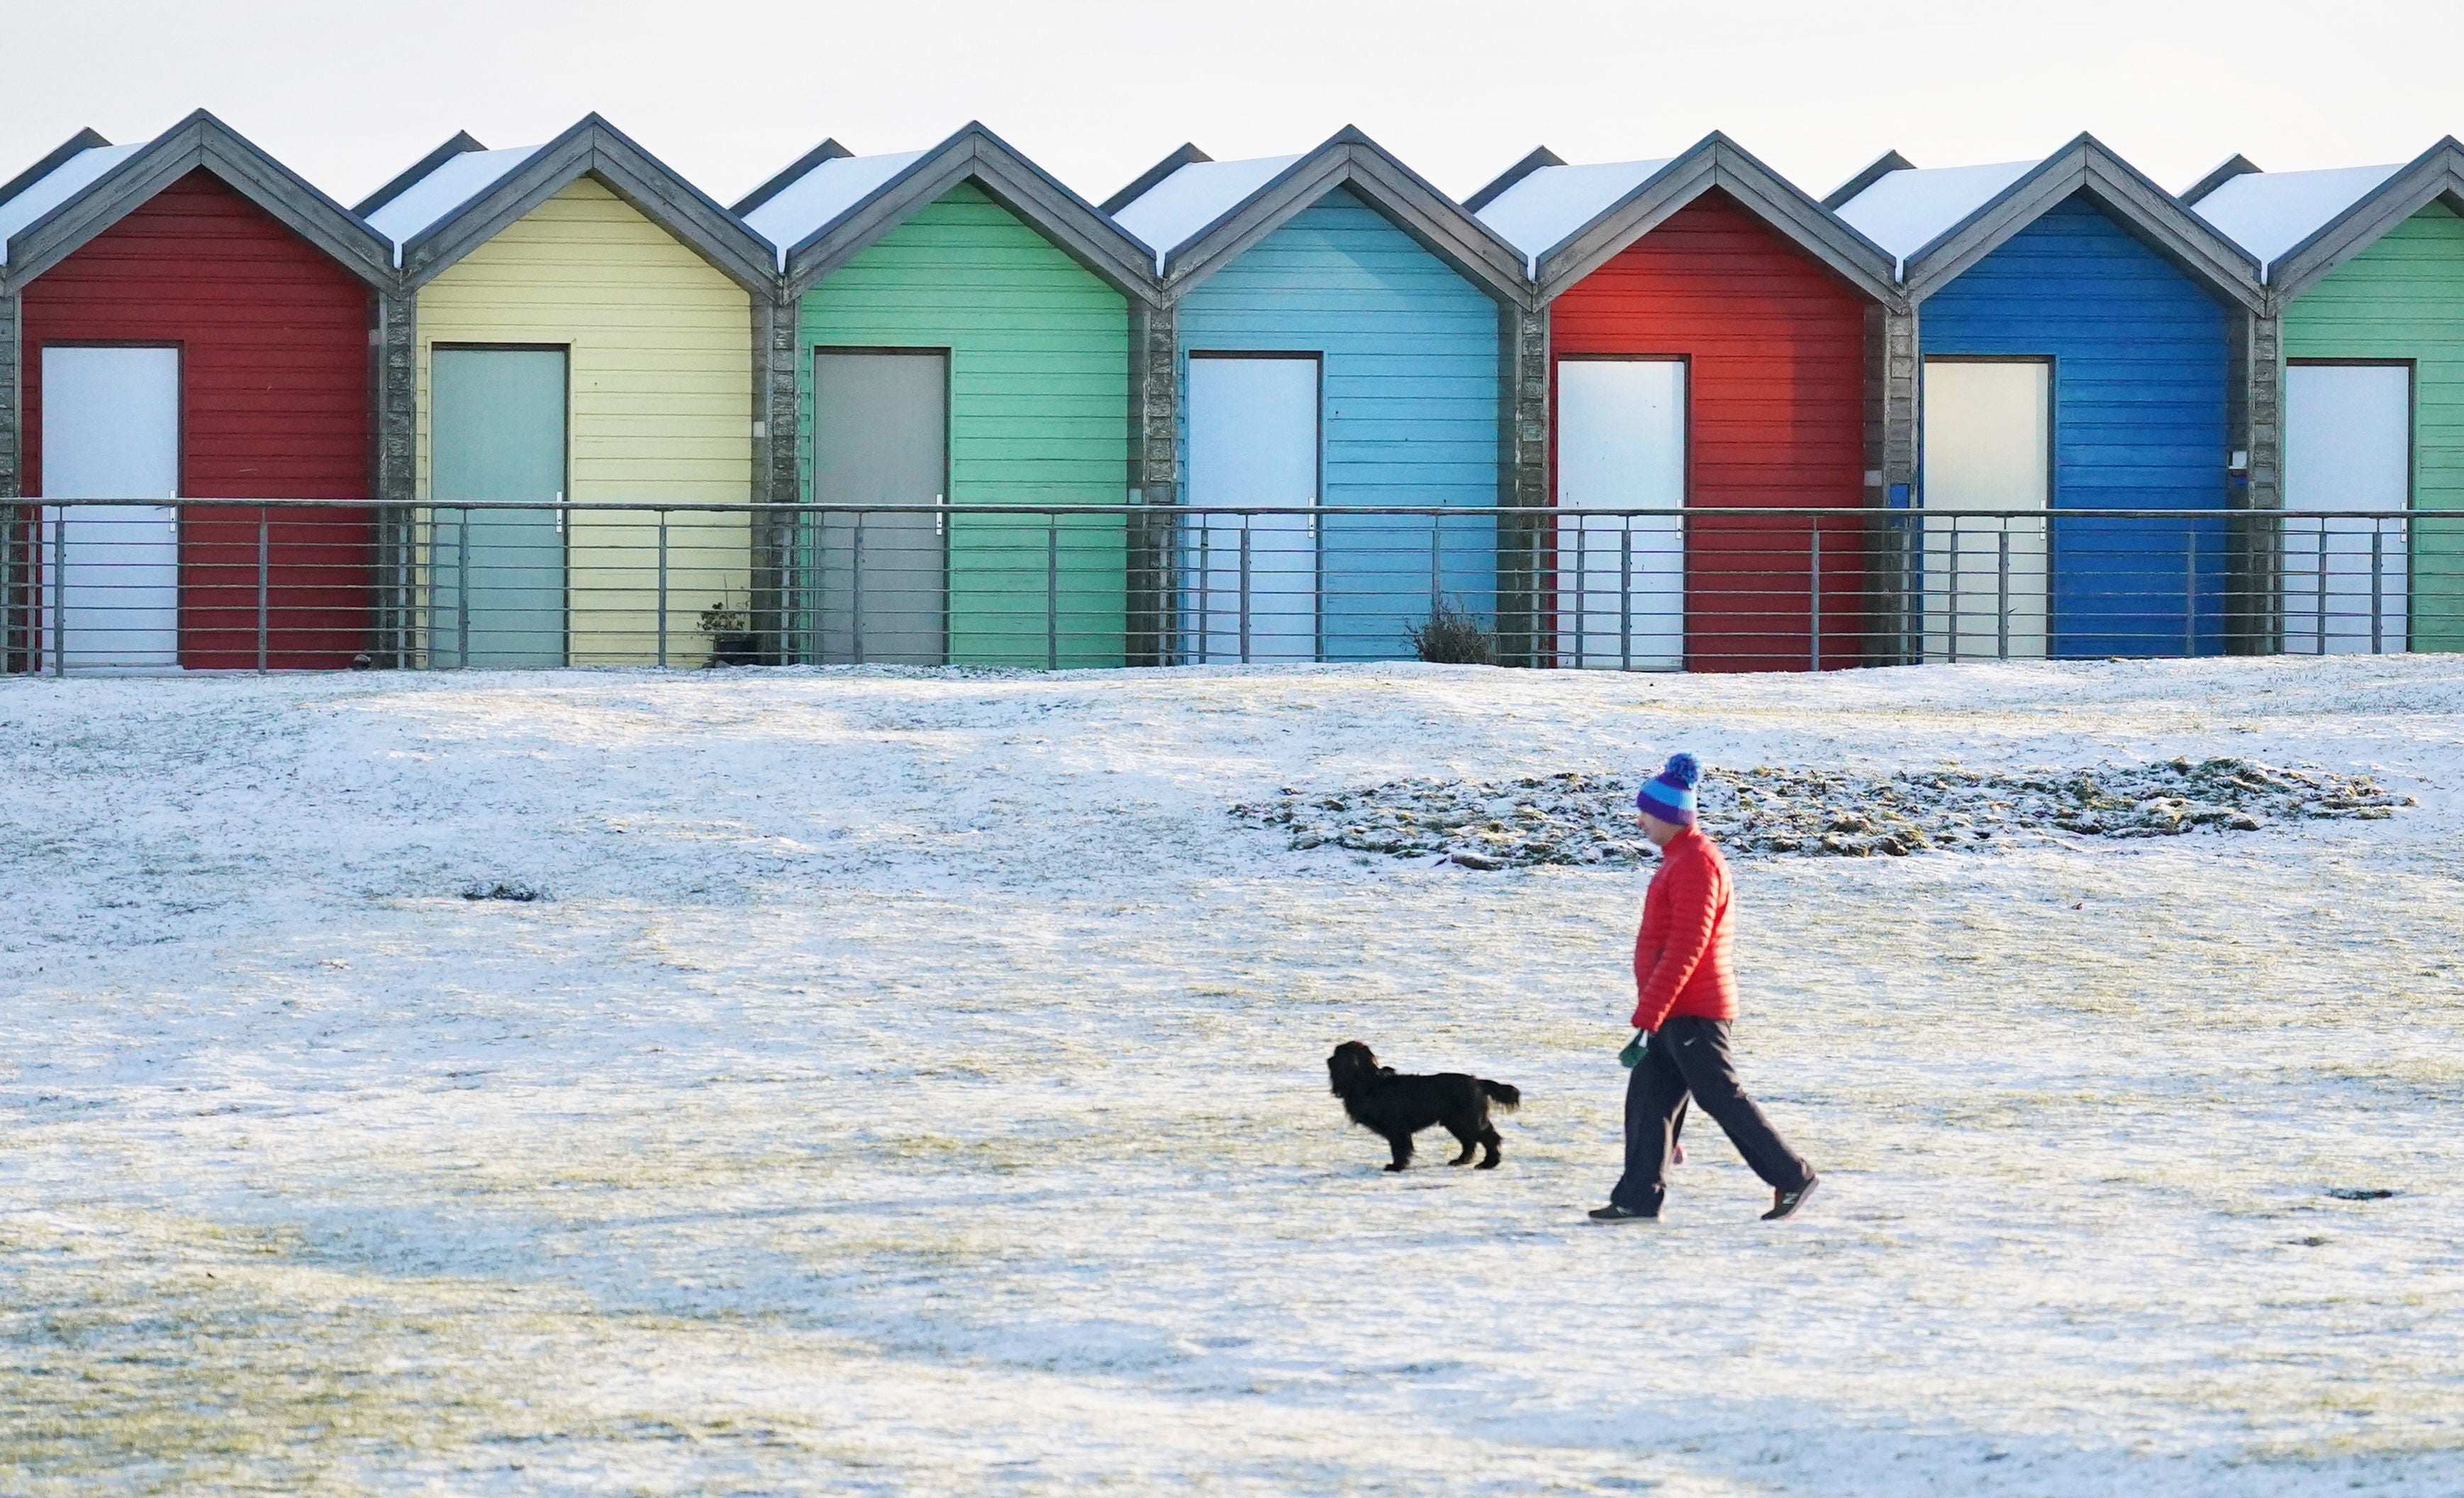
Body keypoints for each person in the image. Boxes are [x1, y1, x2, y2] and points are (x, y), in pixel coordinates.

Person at [1590, 753, 1819, 1223]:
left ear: (1671, 816)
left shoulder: (1695, 864)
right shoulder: (1679, 858)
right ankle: (1636, 1197)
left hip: (1693, 1009)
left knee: (1720, 1096)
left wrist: (1650, 1014)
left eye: (1646, 813)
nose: (1639, 821)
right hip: (1672, 1009)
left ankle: (1792, 1176)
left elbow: (1685, 948)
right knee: (1648, 1102)